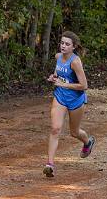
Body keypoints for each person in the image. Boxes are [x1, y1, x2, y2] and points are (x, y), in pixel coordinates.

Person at [43, 31, 96, 177]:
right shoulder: (58, 57)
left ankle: (87, 142)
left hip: (76, 100)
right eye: (62, 43)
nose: (63, 46)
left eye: (67, 44)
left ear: (73, 47)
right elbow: (58, 72)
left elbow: (84, 85)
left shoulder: (75, 61)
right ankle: (50, 165)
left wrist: (64, 84)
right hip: (60, 97)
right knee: (55, 129)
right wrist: (54, 77)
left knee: (74, 132)